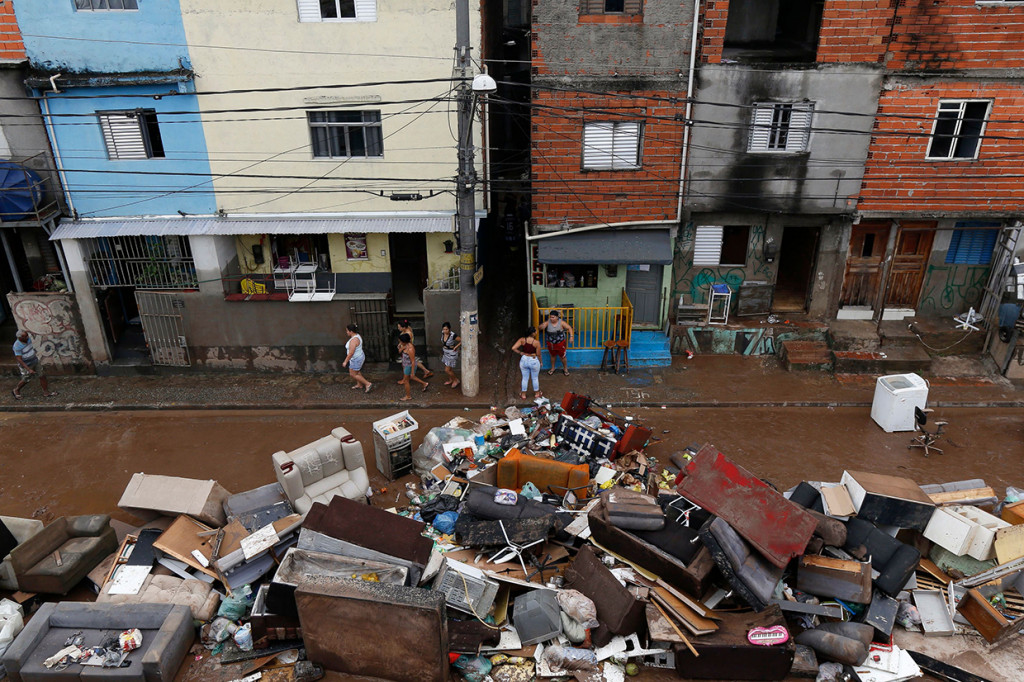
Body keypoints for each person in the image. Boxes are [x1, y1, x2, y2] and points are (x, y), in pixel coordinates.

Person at [12, 330, 56, 400]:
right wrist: (28, 369)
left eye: (27, 335)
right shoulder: (17, 346)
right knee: (26, 379)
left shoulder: (28, 340)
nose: (27, 337)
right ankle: (16, 390)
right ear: (20, 337)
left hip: (34, 361)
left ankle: (46, 392)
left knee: (42, 375)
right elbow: (19, 359)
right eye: (25, 336)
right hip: (26, 364)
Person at [511, 326, 542, 401]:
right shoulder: (536, 342)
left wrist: (521, 352)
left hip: (524, 359)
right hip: (533, 360)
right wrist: (540, 362)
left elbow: (513, 348)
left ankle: (523, 394)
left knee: (525, 378)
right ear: (533, 333)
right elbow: (538, 354)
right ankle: (537, 393)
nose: (536, 332)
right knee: (535, 378)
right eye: (535, 331)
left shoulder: (522, 340)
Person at [342, 323, 372, 393]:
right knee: (357, 371)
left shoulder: (353, 341)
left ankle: (368, 384)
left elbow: (351, 353)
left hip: (356, 359)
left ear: (351, 331)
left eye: (347, 331)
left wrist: (345, 361)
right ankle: (359, 384)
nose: (346, 332)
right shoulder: (357, 336)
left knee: (353, 374)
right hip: (358, 357)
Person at [398, 332, 428, 401]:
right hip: (406, 365)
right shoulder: (406, 345)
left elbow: (413, 361)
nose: (400, 342)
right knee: (412, 378)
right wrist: (400, 347)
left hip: (409, 366)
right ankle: (424, 383)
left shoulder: (410, 349)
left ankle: (408, 396)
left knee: (406, 381)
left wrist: (412, 371)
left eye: (400, 341)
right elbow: (400, 351)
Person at [543, 310, 574, 376]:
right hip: (551, 343)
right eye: (550, 317)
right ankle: (552, 368)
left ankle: (565, 369)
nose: (551, 318)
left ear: (557, 317)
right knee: (552, 356)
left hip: (560, 343)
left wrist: (571, 336)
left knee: (562, 357)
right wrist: (541, 326)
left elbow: (569, 328)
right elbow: (540, 327)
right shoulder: (548, 322)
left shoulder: (561, 322)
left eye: (553, 317)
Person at [440, 321, 461, 389]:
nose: (445, 331)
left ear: (449, 329)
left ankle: (456, 380)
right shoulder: (443, 333)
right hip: (446, 353)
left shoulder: (453, 335)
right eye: (444, 329)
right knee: (449, 368)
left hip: (452, 354)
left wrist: (456, 347)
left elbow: (462, 340)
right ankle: (451, 379)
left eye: (446, 329)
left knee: (447, 370)